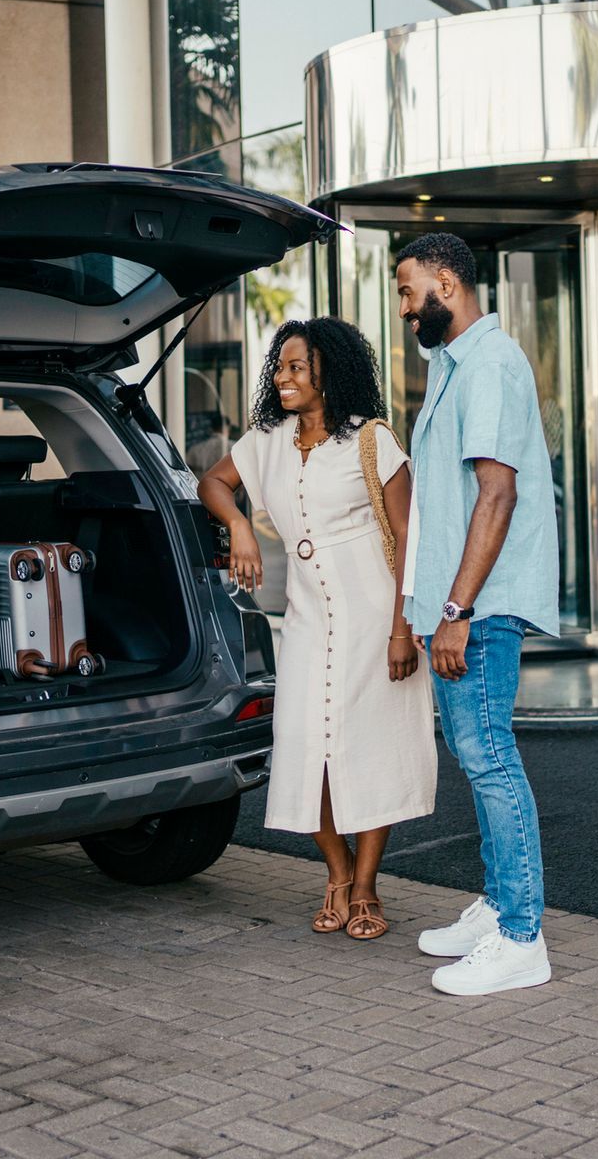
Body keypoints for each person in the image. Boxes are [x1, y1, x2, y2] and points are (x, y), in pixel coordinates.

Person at [198, 319, 434, 941]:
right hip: (305, 619)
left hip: (372, 613)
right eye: (280, 366)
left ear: (329, 372)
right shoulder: (266, 441)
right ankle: (337, 868)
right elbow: (212, 483)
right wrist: (241, 527)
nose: (282, 376)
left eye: (296, 366)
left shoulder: (372, 440)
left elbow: (410, 537)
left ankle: (365, 886)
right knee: (308, 748)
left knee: (370, 744)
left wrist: (403, 630)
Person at [395, 232, 560, 997]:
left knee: (490, 756)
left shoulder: (490, 364)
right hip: (459, 605)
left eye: (409, 290)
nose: (404, 308)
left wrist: (457, 609)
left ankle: (523, 938)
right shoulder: (453, 368)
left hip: (480, 607)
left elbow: (498, 494)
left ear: (449, 285)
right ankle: (499, 910)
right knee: (479, 755)